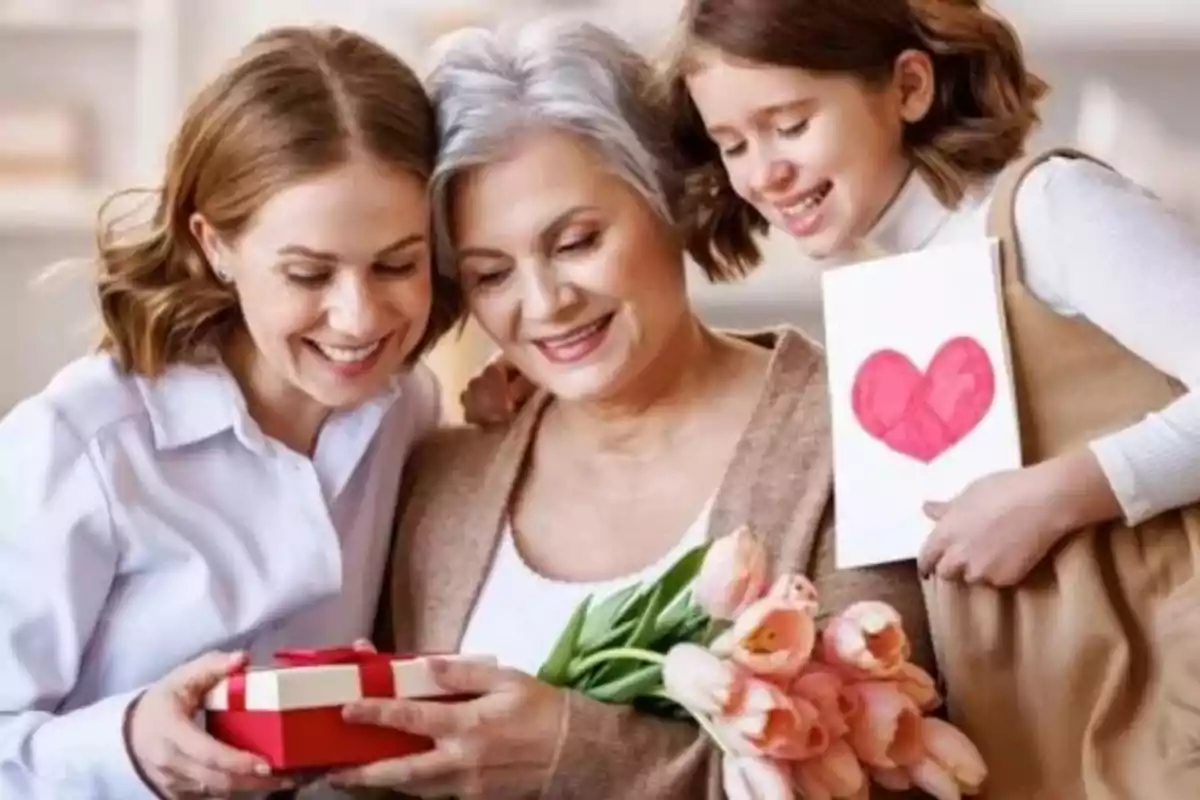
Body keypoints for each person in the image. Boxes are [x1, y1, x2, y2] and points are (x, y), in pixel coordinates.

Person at [329, 20, 935, 800]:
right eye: (490, 275)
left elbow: (884, 774)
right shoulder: (441, 479)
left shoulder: (857, 437)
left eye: (577, 241)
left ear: (669, 199)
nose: (545, 304)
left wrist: (578, 752)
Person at [656, 0, 1200, 797]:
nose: (762, 172)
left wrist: (1059, 495)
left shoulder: (1050, 209)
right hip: (1037, 716)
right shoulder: (882, 290)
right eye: (732, 143)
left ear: (908, 87)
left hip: (1161, 693)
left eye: (791, 124)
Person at [0, 25, 461, 800]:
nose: (357, 319)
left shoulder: (405, 408)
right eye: (308, 272)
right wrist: (129, 746)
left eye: (397, 264)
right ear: (215, 245)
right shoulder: (83, 447)